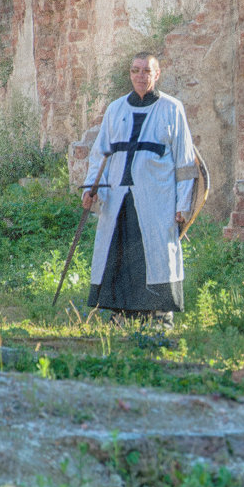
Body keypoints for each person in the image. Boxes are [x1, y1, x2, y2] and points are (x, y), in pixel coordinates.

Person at [81, 52, 198, 327]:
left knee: (154, 255)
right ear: (130, 74)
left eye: (147, 71)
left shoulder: (172, 108)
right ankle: (121, 314)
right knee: (119, 253)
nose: (140, 76)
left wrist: (183, 204)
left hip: (157, 199)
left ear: (157, 75)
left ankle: (159, 316)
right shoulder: (116, 109)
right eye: (135, 71)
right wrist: (91, 188)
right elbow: (99, 155)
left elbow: (185, 162)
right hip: (118, 198)